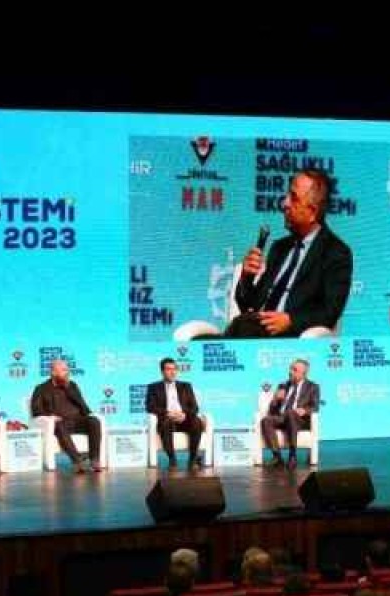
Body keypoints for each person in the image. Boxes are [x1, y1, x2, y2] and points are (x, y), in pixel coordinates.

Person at [229, 169, 353, 337]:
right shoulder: (279, 248)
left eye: (293, 198)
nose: (284, 203)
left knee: (235, 332)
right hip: (254, 330)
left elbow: (330, 312)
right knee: (209, 338)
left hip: (290, 338)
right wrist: (246, 277)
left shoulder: (335, 253)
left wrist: (291, 320)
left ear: (312, 212)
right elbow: (248, 305)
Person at [30, 359, 102, 473]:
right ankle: (78, 461)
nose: (67, 372)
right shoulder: (41, 388)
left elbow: (83, 406)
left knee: (94, 421)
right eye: (63, 370)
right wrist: (50, 417)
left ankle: (94, 460)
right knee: (58, 424)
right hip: (59, 423)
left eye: (67, 370)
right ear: (53, 372)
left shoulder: (72, 385)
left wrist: (69, 390)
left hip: (77, 421)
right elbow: (36, 410)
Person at [145, 357, 204, 470]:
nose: (173, 372)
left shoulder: (186, 386)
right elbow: (150, 407)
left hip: (184, 419)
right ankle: (172, 460)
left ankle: (192, 460)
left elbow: (195, 407)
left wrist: (184, 414)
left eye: (174, 369)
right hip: (167, 419)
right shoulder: (153, 387)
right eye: (169, 369)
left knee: (197, 422)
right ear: (162, 371)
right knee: (166, 423)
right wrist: (168, 413)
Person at [259, 359, 319, 470]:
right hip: (282, 418)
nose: (290, 372)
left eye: (294, 370)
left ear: (303, 373)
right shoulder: (283, 385)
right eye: (291, 369)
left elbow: (315, 407)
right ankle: (277, 457)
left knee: (291, 413)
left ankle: (292, 455)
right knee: (266, 420)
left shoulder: (312, 387)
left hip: (299, 420)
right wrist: (276, 399)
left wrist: (304, 410)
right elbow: (272, 409)